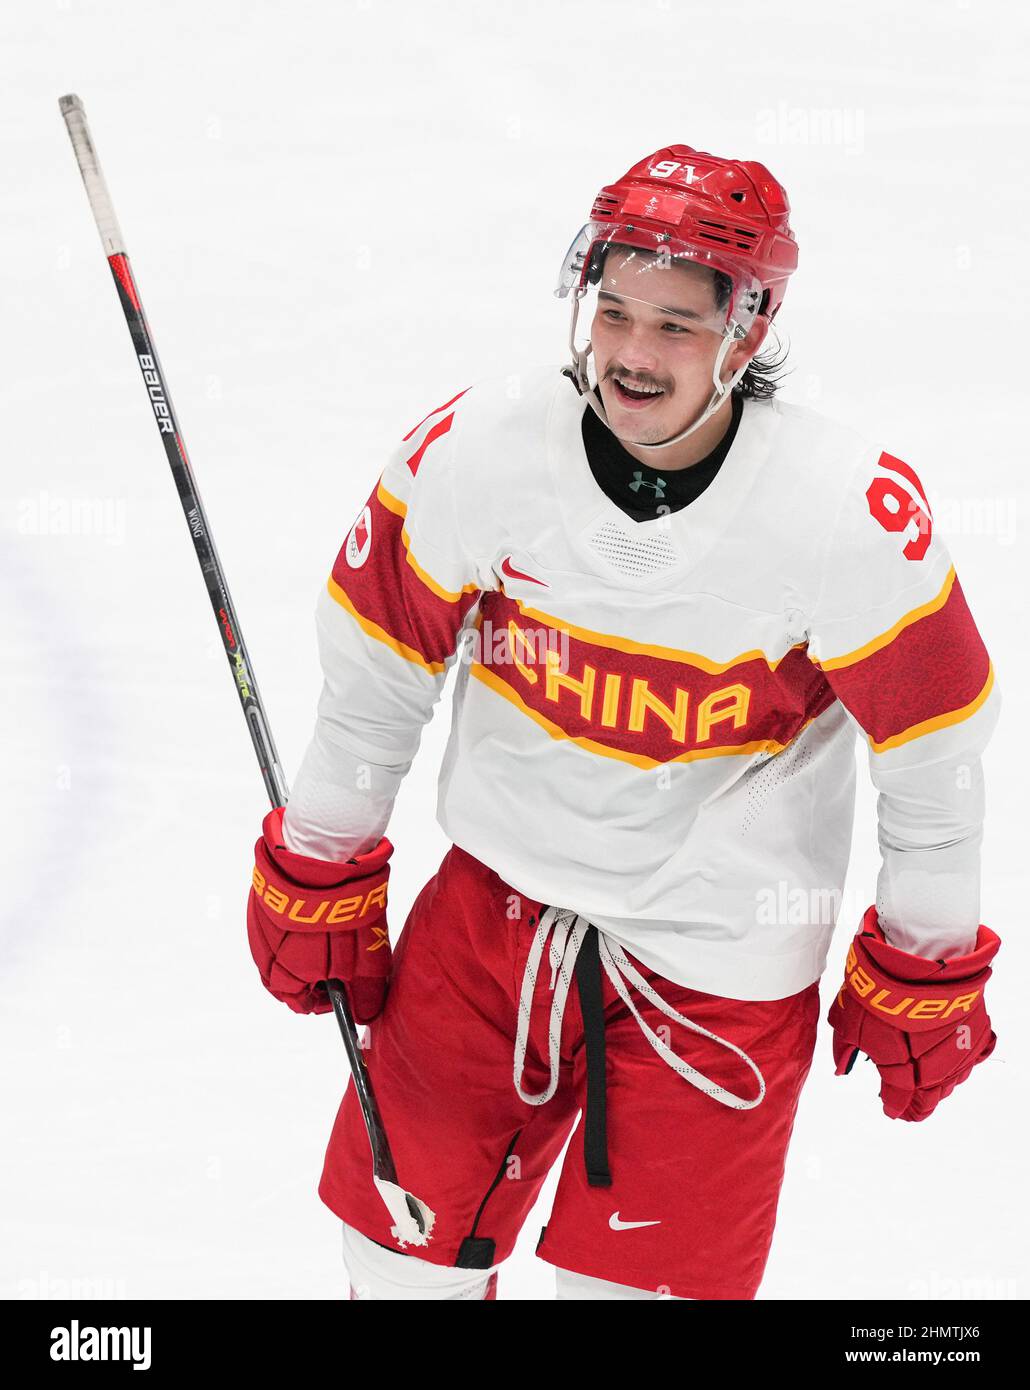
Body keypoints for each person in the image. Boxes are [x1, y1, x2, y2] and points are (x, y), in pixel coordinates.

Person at [245, 145, 1002, 1300]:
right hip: (486, 930)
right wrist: (322, 855)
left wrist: (927, 956)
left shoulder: (843, 515)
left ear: (745, 335)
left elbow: (932, 755)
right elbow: (376, 672)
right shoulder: (481, 450)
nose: (631, 356)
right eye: (613, 312)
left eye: (674, 328)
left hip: (715, 977)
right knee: (395, 1264)